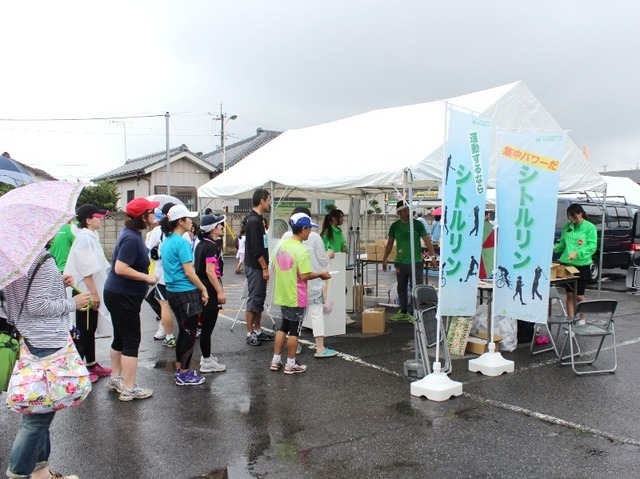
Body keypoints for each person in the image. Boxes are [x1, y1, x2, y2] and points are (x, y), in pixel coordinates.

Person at [5, 251, 92, 479]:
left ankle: (41, 472)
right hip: (47, 341)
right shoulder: (40, 258)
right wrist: (72, 302)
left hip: (27, 336)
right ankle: (18, 473)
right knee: (37, 421)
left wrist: (56, 283)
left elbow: (24, 295)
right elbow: (37, 305)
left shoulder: (13, 259)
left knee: (40, 405)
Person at [103, 197, 159, 401]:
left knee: (120, 337)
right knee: (131, 340)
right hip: (123, 295)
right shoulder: (131, 238)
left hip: (118, 294)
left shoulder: (131, 234)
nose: (154, 214)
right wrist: (148, 277)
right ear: (143, 216)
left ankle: (116, 378)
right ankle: (129, 388)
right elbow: (120, 268)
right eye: (151, 212)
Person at [270, 213, 332, 374]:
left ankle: (275, 360)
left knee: (283, 327)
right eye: (309, 228)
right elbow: (305, 275)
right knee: (294, 331)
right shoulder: (302, 250)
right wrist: (320, 274)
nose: (310, 232)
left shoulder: (282, 246)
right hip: (296, 295)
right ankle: (291, 364)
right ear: (303, 229)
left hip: (282, 293)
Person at [160, 204, 210, 386]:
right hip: (185, 292)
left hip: (172, 291)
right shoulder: (182, 242)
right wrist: (203, 289)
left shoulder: (167, 239)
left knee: (183, 331)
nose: (191, 221)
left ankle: (180, 368)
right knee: (189, 333)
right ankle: (184, 373)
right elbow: (189, 272)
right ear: (180, 221)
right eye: (188, 218)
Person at [64, 204, 112, 382]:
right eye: (98, 216)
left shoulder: (91, 235)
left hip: (90, 291)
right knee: (83, 330)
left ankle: (91, 364)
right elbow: (86, 269)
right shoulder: (84, 237)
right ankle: (78, 371)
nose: (101, 219)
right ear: (88, 220)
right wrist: (94, 294)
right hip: (84, 292)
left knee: (90, 329)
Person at [281, 206, 337, 358]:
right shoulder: (314, 237)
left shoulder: (285, 237)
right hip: (311, 282)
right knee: (316, 313)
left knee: (291, 318)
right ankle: (320, 348)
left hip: (292, 284)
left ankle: (294, 346)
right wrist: (330, 254)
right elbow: (322, 258)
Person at [382, 200, 436, 321]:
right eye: (404, 211)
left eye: (408, 210)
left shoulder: (417, 224)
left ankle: (414, 312)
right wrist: (385, 259)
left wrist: (433, 257)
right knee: (401, 287)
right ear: (399, 213)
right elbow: (390, 243)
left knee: (415, 287)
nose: (407, 213)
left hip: (415, 261)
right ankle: (403, 310)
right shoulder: (395, 226)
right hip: (400, 262)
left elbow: (427, 241)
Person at [194, 214, 227, 373]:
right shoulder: (210, 246)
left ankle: (206, 356)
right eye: (220, 225)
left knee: (206, 326)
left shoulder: (201, 244)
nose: (222, 227)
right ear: (213, 229)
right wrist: (219, 291)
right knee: (207, 327)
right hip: (209, 288)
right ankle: (207, 361)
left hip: (202, 287)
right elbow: (210, 271)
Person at [553, 203, 597, 321]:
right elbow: (562, 244)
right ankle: (570, 320)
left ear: (580, 214)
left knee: (579, 295)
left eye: (572, 216)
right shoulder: (567, 227)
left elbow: (592, 246)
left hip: (582, 265)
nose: (570, 219)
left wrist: (577, 253)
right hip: (568, 265)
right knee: (569, 294)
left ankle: (582, 319)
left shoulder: (590, 227)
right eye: (568, 216)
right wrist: (553, 248)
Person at [243, 188, 274, 346]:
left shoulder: (257, 219)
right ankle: (250, 332)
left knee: (259, 298)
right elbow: (256, 249)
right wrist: (264, 267)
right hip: (256, 266)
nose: (269, 202)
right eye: (268, 199)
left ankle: (258, 329)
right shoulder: (254, 221)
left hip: (258, 265)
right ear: (262, 201)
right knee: (254, 299)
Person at [146, 202, 177, 347]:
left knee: (164, 305)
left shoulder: (159, 230)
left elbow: (149, 250)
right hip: (180, 275)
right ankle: (183, 332)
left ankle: (169, 334)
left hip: (163, 275)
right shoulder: (181, 231)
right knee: (176, 306)